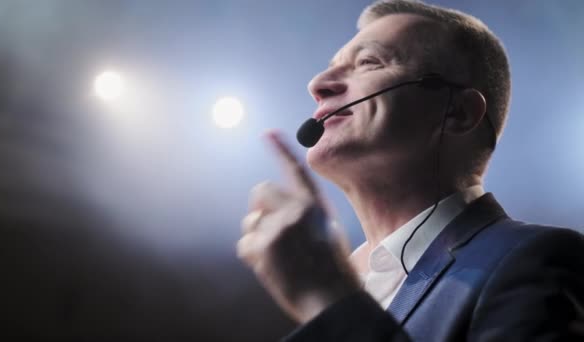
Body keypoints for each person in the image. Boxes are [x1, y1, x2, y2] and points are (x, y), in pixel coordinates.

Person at [237, 0, 584, 340]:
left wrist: (329, 300)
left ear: (458, 112)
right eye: (332, 66)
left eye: (368, 62)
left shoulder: (535, 258)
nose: (318, 83)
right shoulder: (337, 280)